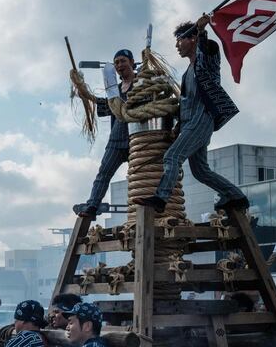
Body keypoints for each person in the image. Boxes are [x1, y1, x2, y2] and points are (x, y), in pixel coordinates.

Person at [134, 16, 245, 213]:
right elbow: (186, 104)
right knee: (200, 171)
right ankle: (235, 195)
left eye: (180, 39)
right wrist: (178, 127)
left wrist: (202, 31)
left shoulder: (206, 61)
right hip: (190, 123)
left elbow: (209, 49)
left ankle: (160, 198)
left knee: (172, 156)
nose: (177, 45)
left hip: (202, 120)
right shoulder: (187, 73)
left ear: (192, 39)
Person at [74, 49, 137, 218]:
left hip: (138, 138)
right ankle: (92, 206)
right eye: (116, 63)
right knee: (103, 173)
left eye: (123, 61)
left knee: (140, 175)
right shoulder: (114, 89)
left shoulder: (142, 83)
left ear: (132, 62)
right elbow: (108, 105)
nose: (119, 65)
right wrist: (87, 96)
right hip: (117, 138)